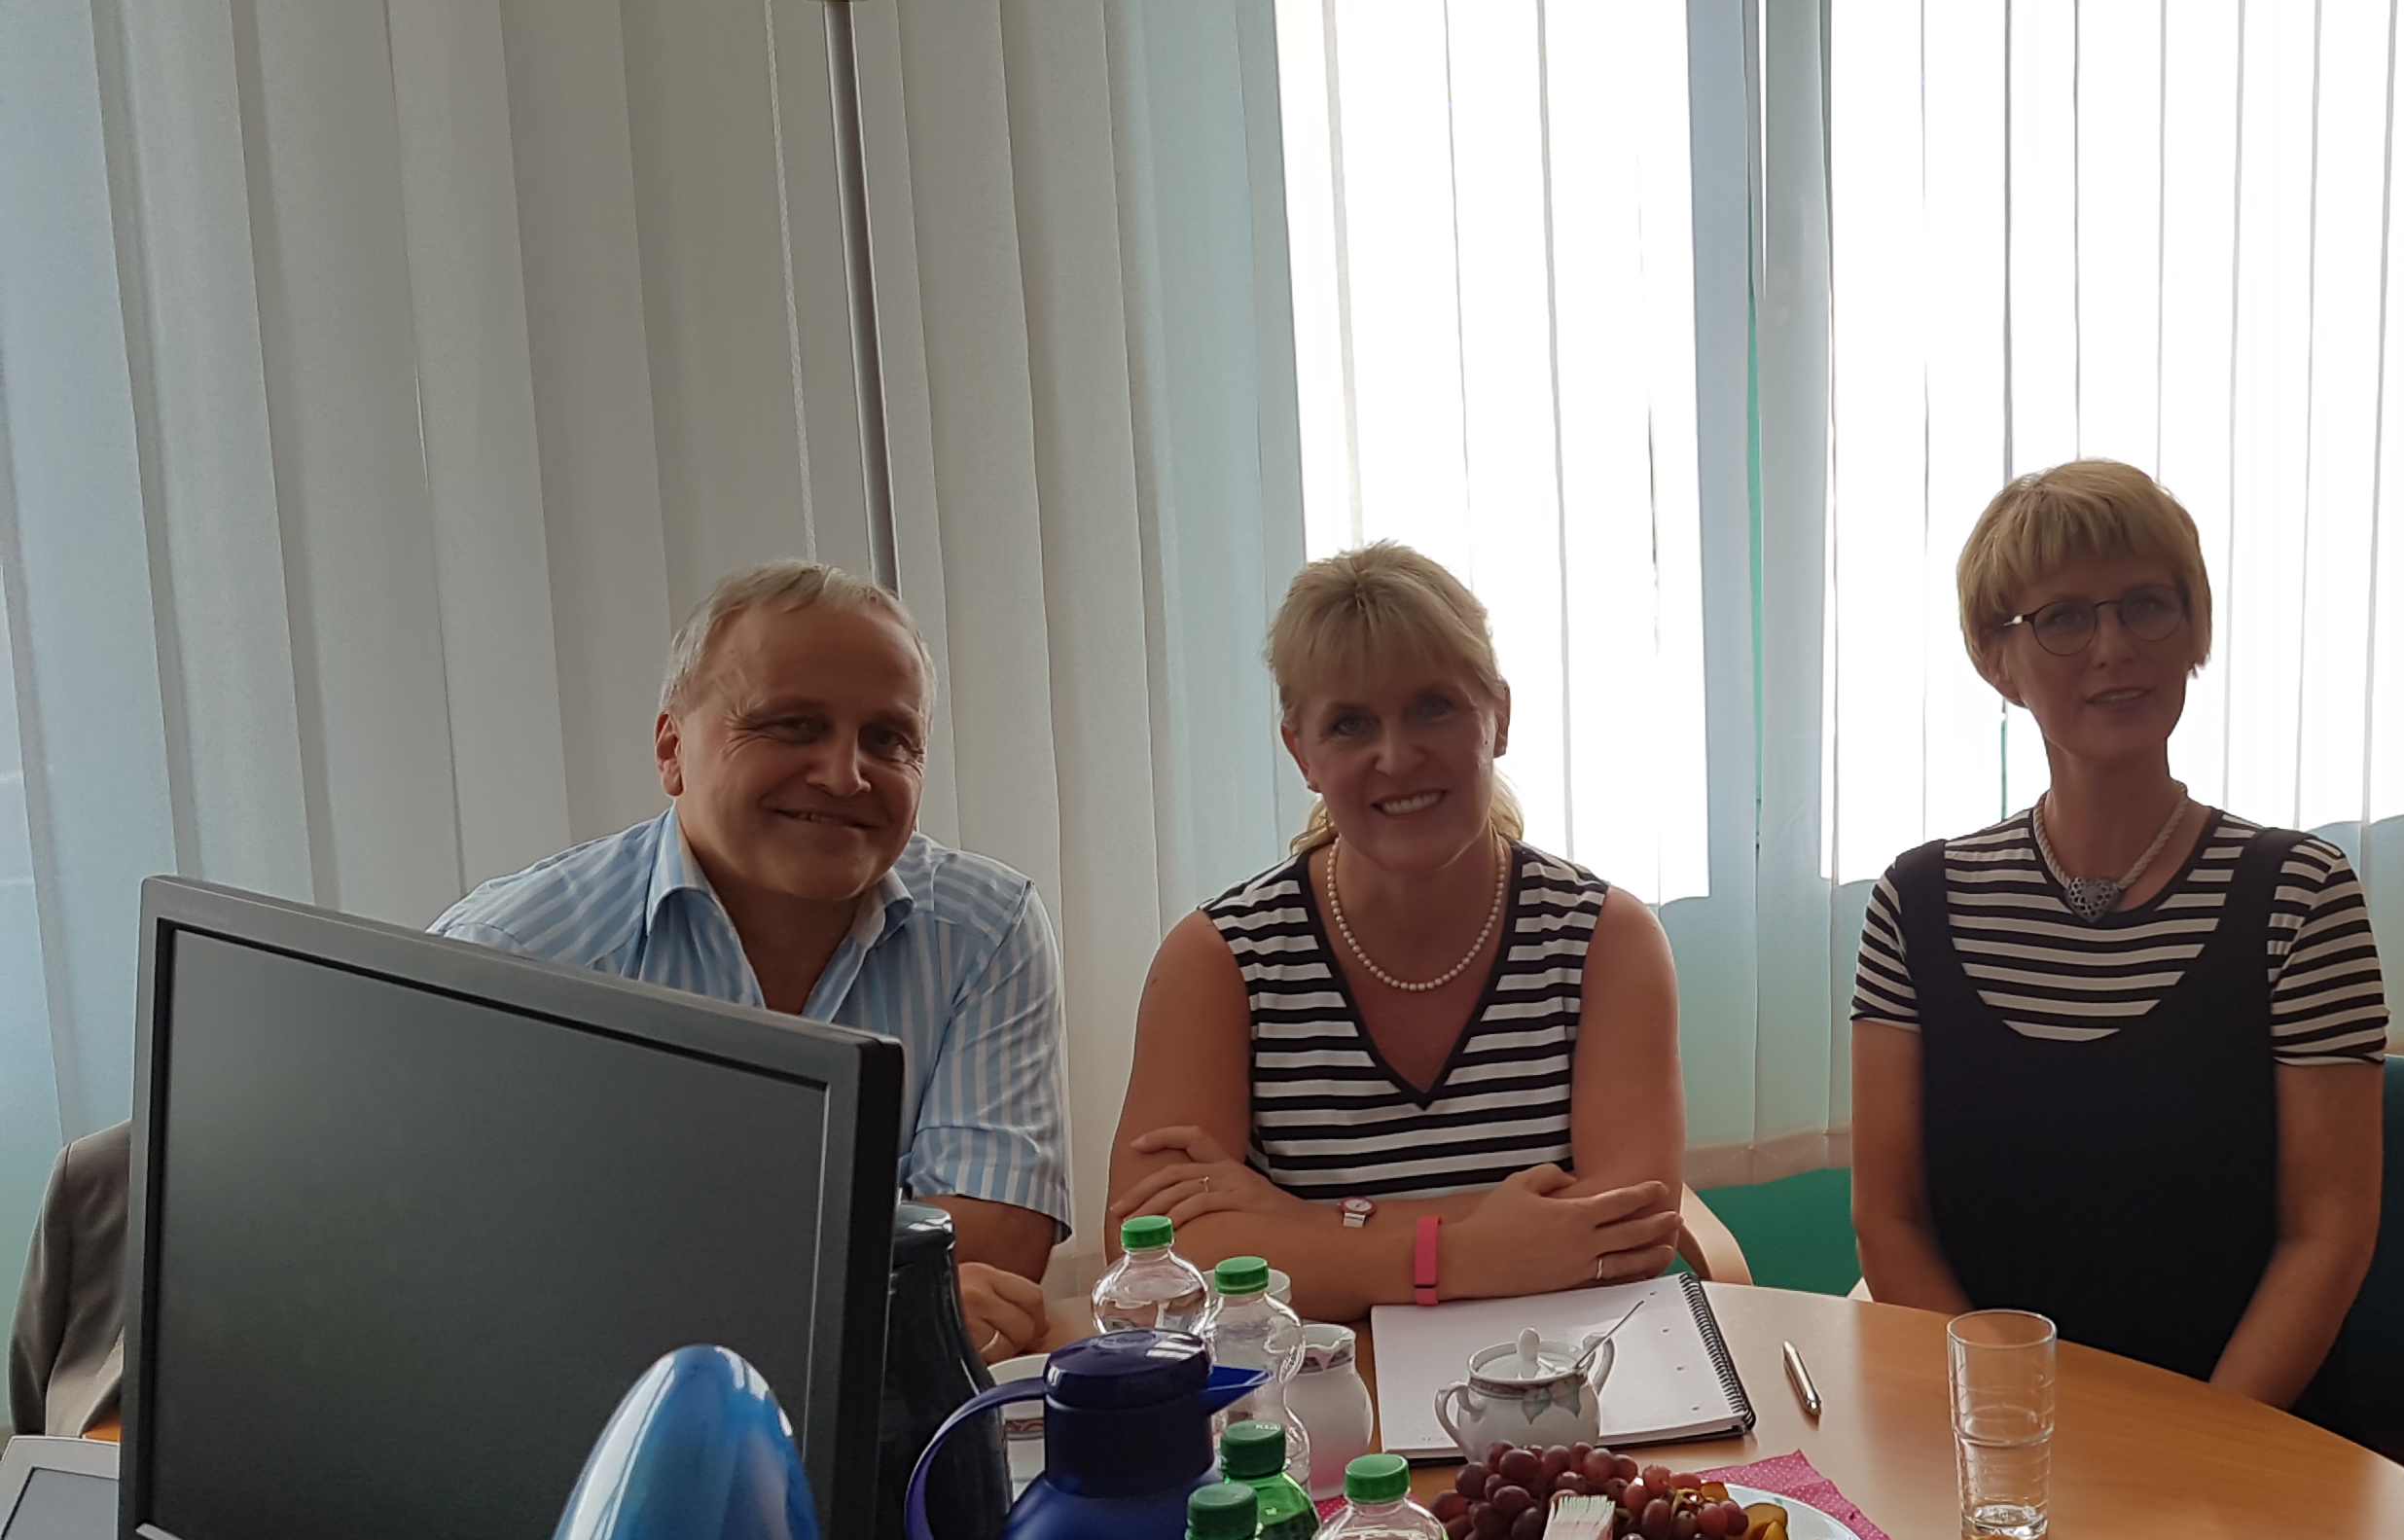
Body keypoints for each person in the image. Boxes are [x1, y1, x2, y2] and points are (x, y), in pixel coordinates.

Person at [1849, 460, 2386, 1406]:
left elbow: (2327, 1233)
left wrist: (2197, 1451)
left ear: (2193, 632)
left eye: (2148, 605)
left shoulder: (2301, 896)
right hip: (1989, 1437)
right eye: (2062, 617)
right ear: (1995, 658)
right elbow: (1892, 1219)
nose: (2113, 647)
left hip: (2239, 1434)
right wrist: (2009, 1424)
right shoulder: (1917, 902)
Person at [437, 562, 1068, 1358]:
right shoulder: (513, 960)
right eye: (791, 725)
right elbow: (502, 1293)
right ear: (672, 749)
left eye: (888, 739)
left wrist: (695, 1283)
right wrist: (888, 1299)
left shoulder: (986, 928)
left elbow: (994, 1259)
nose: (845, 774)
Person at [1107, 544, 1683, 1314]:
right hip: (1304, 1401)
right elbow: (1153, 1260)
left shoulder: (1605, 938)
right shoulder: (1219, 958)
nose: (1396, 756)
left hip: (1561, 1390)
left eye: (1433, 708)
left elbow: (1627, 1229)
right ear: (1301, 753)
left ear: (1499, 717)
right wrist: (1460, 1254)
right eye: (1350, 724)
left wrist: (1299, 1224)